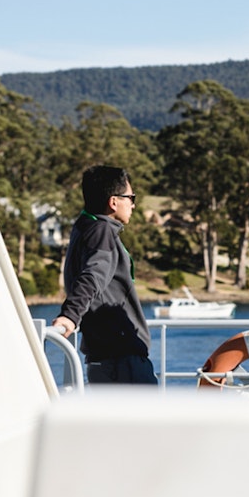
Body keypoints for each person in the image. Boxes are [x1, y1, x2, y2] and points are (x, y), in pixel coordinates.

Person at [52, 165, 156, 385]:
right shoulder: (102, 232)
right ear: (113, 201)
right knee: (146, 420)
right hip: (122, 360)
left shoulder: (85, 226)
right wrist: (70, 315)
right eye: (130, 197)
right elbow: (93, 275)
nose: (133, 204)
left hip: (104, 358)